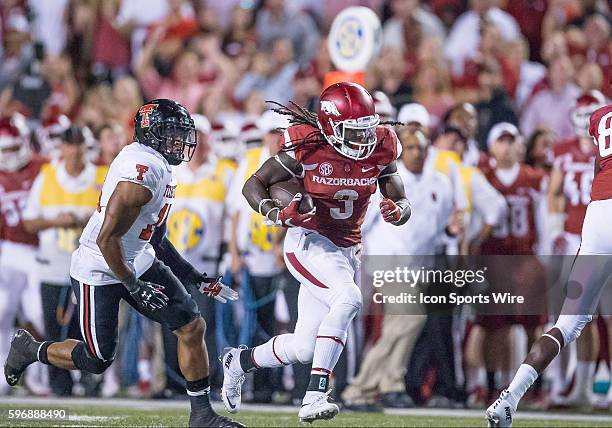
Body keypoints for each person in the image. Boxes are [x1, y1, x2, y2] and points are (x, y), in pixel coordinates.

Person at [4, 99, 242, 428]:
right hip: (98, 265)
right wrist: (133, 285)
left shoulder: (158, 165)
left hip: (135, 257)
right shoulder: (141, 173)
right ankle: (30, 350)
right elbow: (106, 239)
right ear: (152, 134)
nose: (180, 142)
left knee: (191, 325)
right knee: (97, 359)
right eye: (172, 133)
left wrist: (194, 277)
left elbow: (153, 235)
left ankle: (201, 414)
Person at [221, 82, 411, 422]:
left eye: (367, 129)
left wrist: (399, 211)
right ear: (329, 125)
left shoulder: (383, 144)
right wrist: (275, 212)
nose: (363, 140)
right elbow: (254, 184)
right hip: (308, 240)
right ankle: (314, 394)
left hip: (347, 250)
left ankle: (239, 361)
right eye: (353, 132)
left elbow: (401, 197)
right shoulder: (307, 144)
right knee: (349, 299)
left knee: (306, 346)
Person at [482, 103, 612, 425]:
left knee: (567, 324)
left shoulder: (601, 116)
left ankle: (509, 397)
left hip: (596, 215)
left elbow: (600, 167)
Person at [342, 128, 455, 410]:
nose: (417, 153)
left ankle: (388, 384)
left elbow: (441, 227)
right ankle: (363, 386)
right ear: (403, 149)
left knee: (398, 324)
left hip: (419, 264)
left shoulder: (440, 183)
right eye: (412, 147)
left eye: (421, 147)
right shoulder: (389, 177)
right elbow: (364, 220)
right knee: (412, 317)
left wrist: (451, 237)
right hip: (387, 258)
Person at [22, 126, 107, 396]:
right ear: (62, 147)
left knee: (89, 328)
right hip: (53, 266)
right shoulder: (47, 177)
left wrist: (88, 221)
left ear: (86, 146)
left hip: (90, 268)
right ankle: (60, 385)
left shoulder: (102, 176)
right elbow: (29, 221)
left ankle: (92, 380)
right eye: (70, 144)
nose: (75, 150)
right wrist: (55, 221)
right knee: (54, 327)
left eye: (80, 144)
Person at [0, 114, 47, 396]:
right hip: (10, 251)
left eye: (11, 148)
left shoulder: (42, 167)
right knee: (2, 311)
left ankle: (39, 377)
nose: (7, 155)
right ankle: (4, 377)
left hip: (39, 252)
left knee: (39, 316)